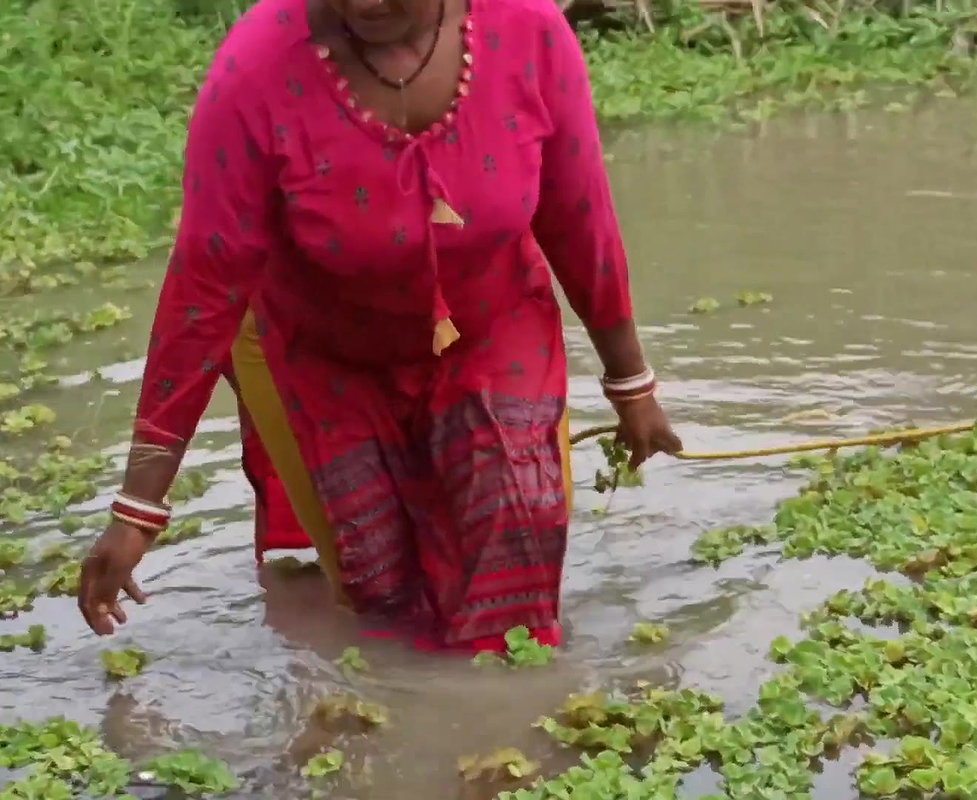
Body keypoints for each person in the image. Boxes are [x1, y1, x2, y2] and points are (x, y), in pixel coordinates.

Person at [77, 0, 682, 653]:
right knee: (381, 602)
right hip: (327, 355)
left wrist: (631, 383)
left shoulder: (530, 33)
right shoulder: (256, 70)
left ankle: (509, 732)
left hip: (491, 331)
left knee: (511, 579)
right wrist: (139, 508)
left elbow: (579, 217)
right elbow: (204, 288)